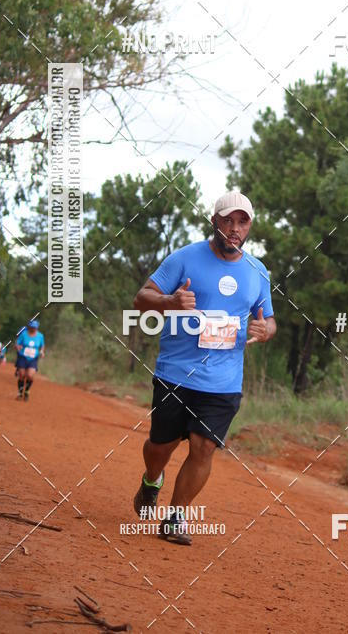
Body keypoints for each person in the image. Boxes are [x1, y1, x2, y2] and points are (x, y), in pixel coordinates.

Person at [132, 191, 276, 545]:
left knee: (203, 447)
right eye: (228, 220)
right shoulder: (184, 258)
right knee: (159, 448)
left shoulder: (258, 271)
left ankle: (175, 517)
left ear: (249, 227)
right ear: (214, 221)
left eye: (242, 222)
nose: (235, 228)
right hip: (176, 373)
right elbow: (141, 299)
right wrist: (169, 301)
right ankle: (152, 479)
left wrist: (265, 330)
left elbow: (268, 320)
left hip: (223, 380)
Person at [15, 320, 45, 400]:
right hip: (23, 357)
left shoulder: (40, 336)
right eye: (32, 327)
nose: (33, 329)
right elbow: (17, 343)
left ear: (37, 328)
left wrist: (42, 351)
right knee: (21, 374)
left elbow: (42, 345)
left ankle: (27, 391)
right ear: (29, 327)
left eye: (35, 328)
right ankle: (20, 392)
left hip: (33, 358)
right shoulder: (23, 334)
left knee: (30, 375)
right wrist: (18, 347)